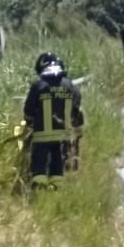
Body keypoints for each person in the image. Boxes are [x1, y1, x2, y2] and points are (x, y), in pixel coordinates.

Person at [23, 54, 82, 188]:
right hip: (64, 136)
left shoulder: (38, 86)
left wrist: (29, 122)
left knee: (39, 166)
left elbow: (28, 111)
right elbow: (77, 108)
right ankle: (56, 189)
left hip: (41, 137)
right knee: (58, 164)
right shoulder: (70, 86)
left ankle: (38, 189)